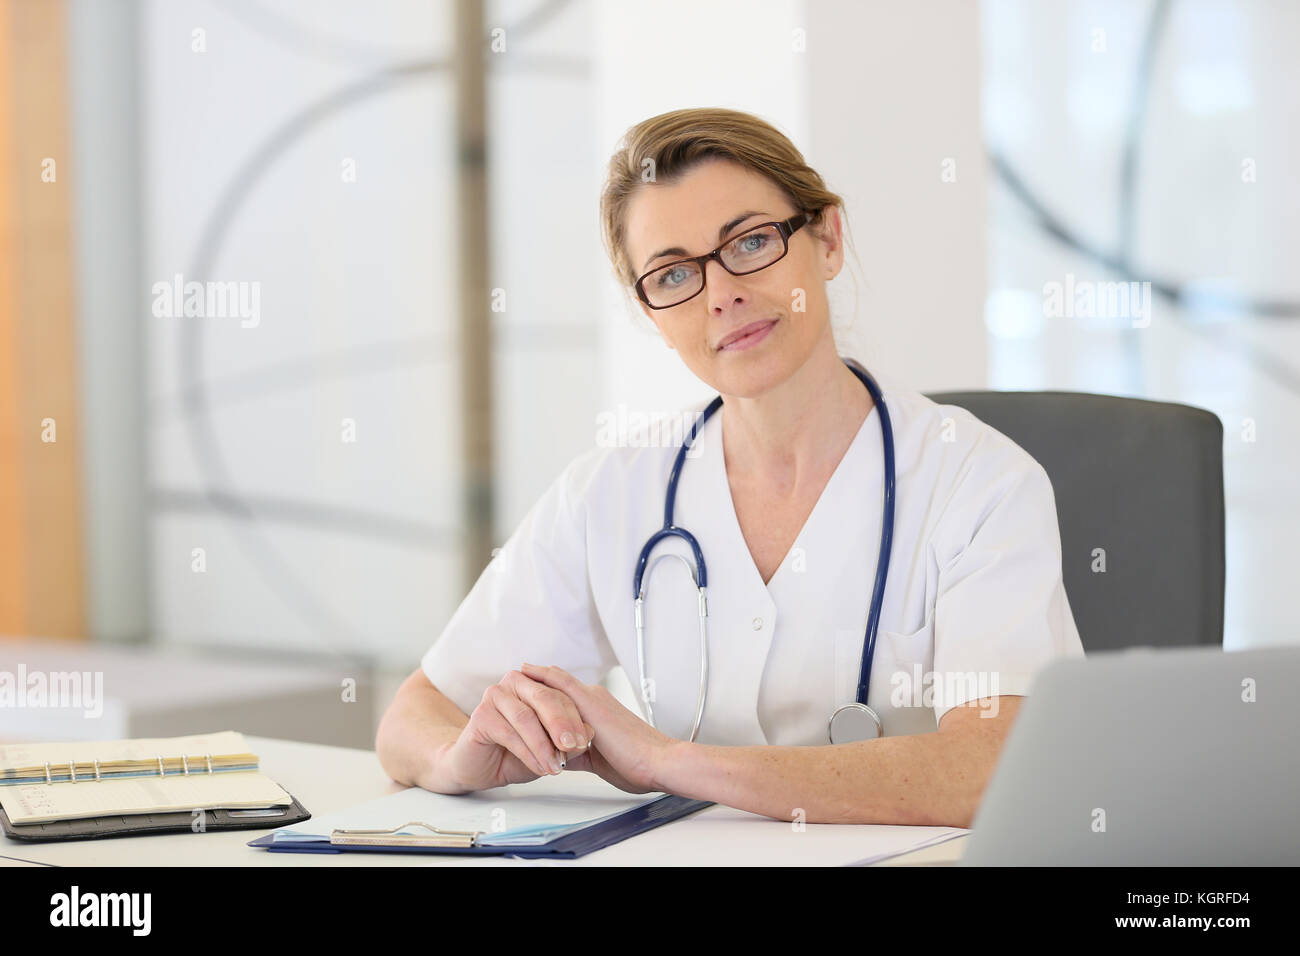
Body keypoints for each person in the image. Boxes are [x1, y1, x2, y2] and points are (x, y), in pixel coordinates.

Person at [376, 107, 1083, 827]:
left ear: (828, 239)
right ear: (653, 313)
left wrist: (670, 763)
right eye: (674, 272)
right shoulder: (612, 494)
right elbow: (413, 716)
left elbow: (995, 768)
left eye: (749, 243)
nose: (721, 294)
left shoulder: (979, 483)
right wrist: (457, 758)